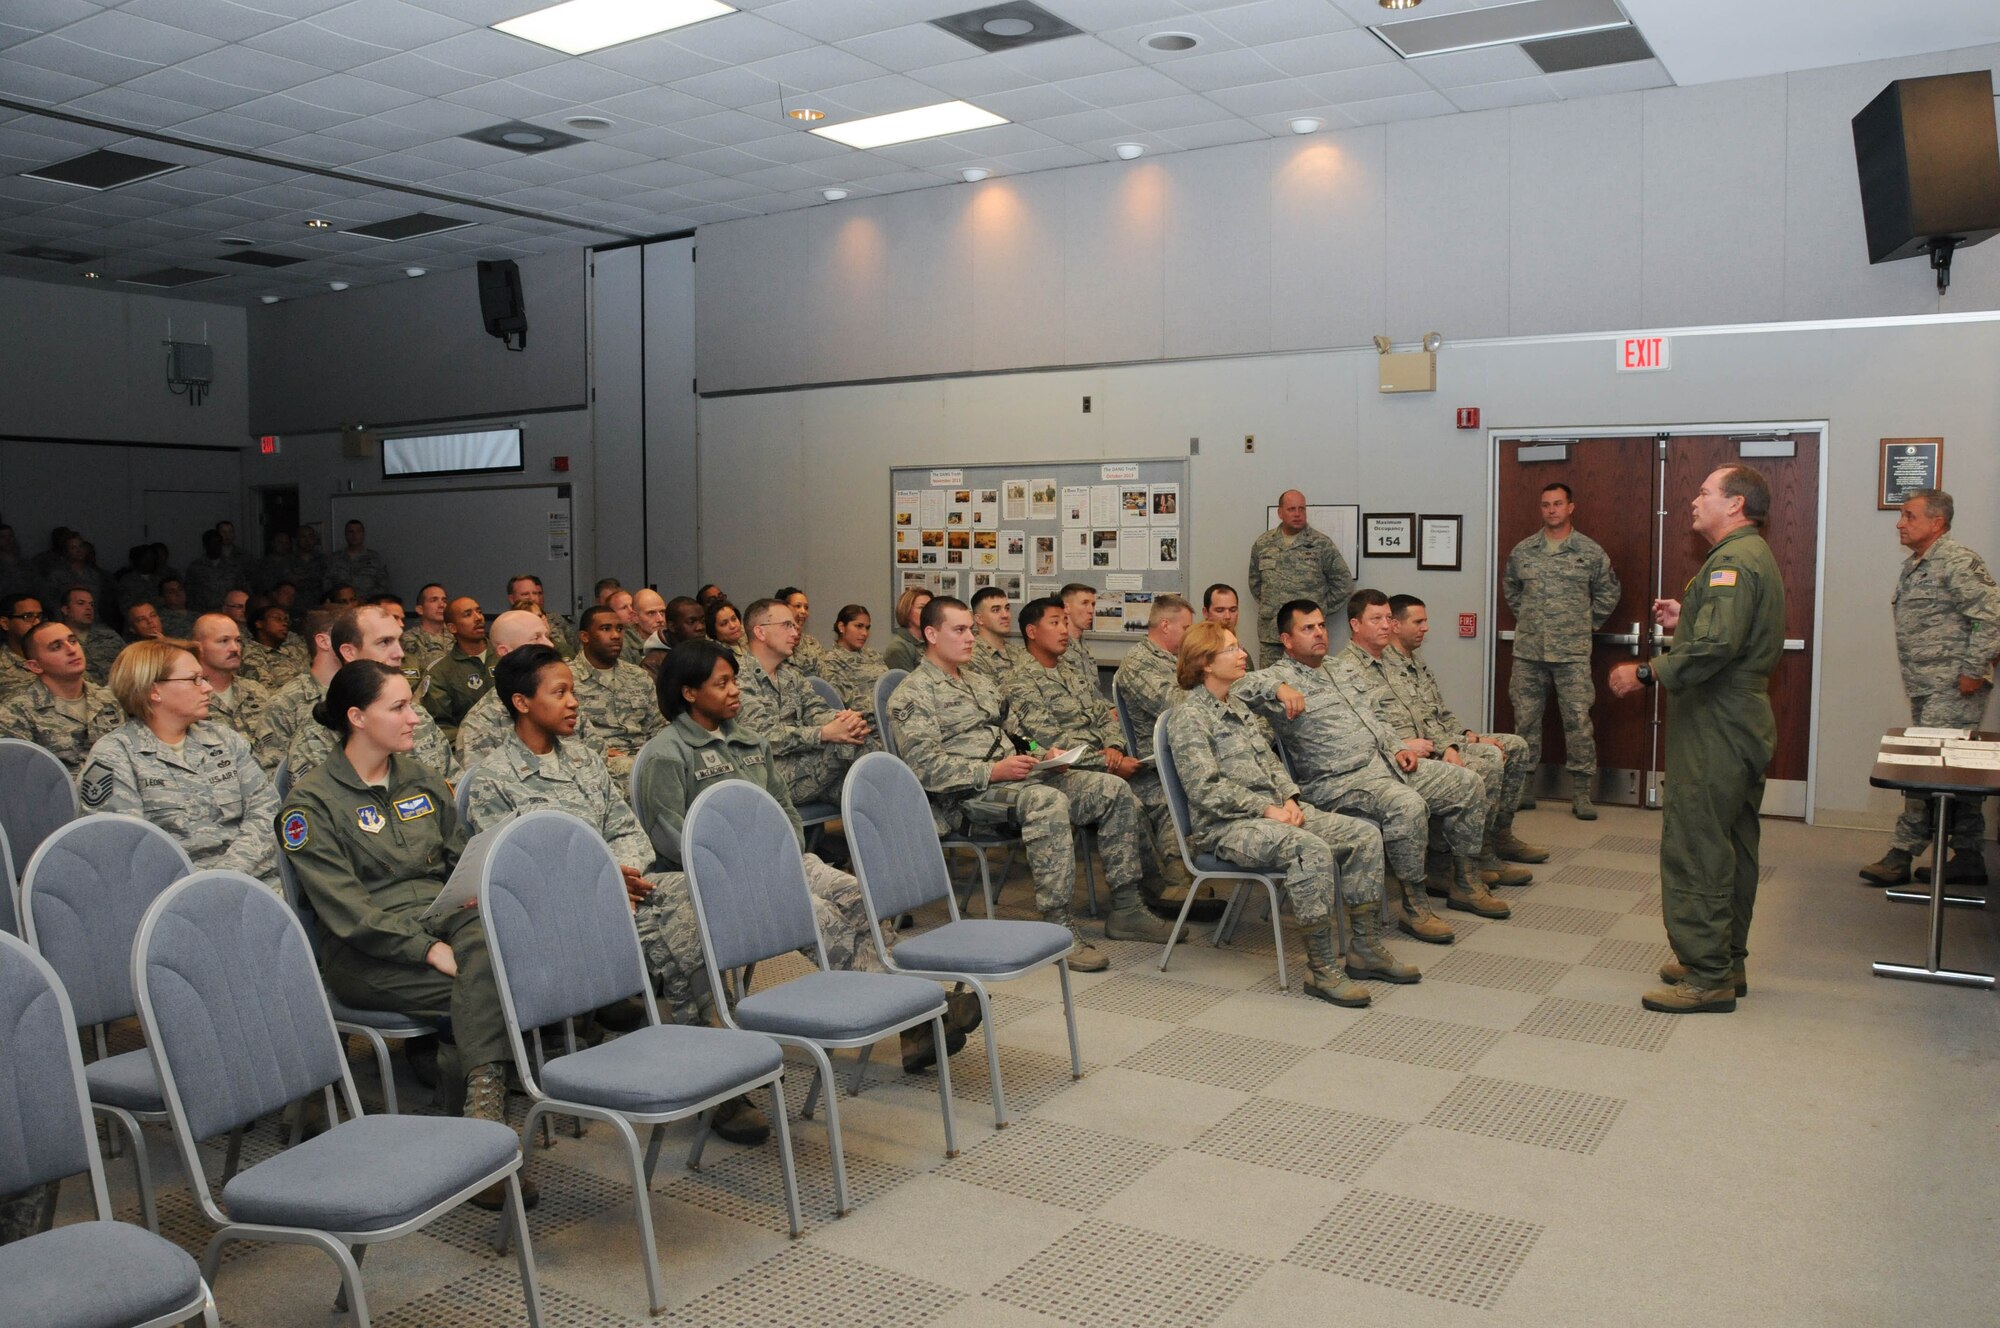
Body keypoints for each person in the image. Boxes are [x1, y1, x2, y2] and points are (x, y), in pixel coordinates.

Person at [634, 641, 974, 1071]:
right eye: (721, 684)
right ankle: (921, 1013)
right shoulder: (667, 754)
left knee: (856, 895)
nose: (735, 690)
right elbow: (670, 837)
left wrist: (785, 850)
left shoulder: (749, 740)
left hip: (777, 862)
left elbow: (784, 807)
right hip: (716, 883)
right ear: (688, 693)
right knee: (816, 914)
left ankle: (913, 1018)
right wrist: (751, 870)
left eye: (735, 679)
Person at [277, 660, 532, 1209]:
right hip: (366, 955)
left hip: (449, 926)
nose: (415, 717)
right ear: (356, 717)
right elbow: (347, 914)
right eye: (398, 707)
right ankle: (477, 1129)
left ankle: (467, 1130)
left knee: (497, 955)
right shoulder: (311, 804)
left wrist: (469, 901)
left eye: (411, 704)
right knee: (496, 990)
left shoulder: (416, 778)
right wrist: (425, 947)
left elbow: (460, 858)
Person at [888, 596, 1155, 973]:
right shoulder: (913, 694)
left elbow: (1015, 734)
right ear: (931, 634)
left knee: (1110, 789)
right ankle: (1056, 925)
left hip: (1016, 778)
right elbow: (926, 769)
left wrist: (1042, 753)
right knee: (1046, 802)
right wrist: (992, 772)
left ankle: (1127, 906)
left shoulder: (979, 683)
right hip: (967, 797)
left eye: (970, 630)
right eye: (960, 631)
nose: (970, 639)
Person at [1610, 465, 1785, 1014]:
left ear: (1735, 505)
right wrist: (1688, 618)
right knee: (1731, 839)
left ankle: (1708, 975)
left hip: (1717, 721)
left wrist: (1646, 672)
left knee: (1698, 842)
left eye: (1705, 492)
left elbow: (1716, 649)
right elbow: (1726, 631)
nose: (1693, 500)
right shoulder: (1748, 556)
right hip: (1737, 718)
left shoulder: (1733, 561)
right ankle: (1724, 958)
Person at [1165, 622, 1412, 1005]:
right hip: (1227, 826)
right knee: (1307, 849)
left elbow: (1271, 762)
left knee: (1364, 836)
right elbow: (1205, 789)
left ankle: (1364, 949)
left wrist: (1290, 799)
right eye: (1232, 649)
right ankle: (1321, 968)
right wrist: (1266, 808)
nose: (1243, 653)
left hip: (1274, 812)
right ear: (1206, 664)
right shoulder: (1190, 716)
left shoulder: (1237, 705)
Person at [1234, 598, 1485, 940]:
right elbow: (1232, 688)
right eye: (1308, 628)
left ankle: (1464, 881)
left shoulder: (1341, 669)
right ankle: (1415, 906)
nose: (1319, 633)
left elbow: (1374, 718)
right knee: (1406, 806)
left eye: (1322, 625)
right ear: (1287, 640)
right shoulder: (1278, 677)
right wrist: (1276, 687)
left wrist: (1396, 746)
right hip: (1336, 783)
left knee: (1467, 782)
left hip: (1383, 765)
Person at [1002, 597, 1173, 941]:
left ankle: (1150, 894)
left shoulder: (1069, 671)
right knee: (1119, 793)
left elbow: (1103, 713)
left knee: (1145, 793)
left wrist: (1115, 747)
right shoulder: (1020, 681)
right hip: (1055, 772)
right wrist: (1106, 760)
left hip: (1097, 762)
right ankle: (1131, 904)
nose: (1065, 630)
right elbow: (1048, 740)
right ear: (1032, 632)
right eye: (1055, 622)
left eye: (1066, 622)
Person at [1860, 489, 2000, 887]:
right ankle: (1969, 856)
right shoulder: (1916, 565)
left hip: (1953, 687)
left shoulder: (1955, 560)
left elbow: (1991, 616)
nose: (1900, 523)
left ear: (1937, 522)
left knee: (1926, 772)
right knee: (1958, 772)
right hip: (1927, 685)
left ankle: (1900, 855)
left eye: (1909, 516)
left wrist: (1974, 670)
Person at [78, 639, 279, 893]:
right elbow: (124, 849)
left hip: (256, 879)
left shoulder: (223, 739)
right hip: (174, 896)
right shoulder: (114, 756)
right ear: (154, 690)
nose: (207, 688)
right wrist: (200, 887)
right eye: (195, 679)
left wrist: (229, 872)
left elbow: (267, 810)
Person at [1384, 595, 1547, 887]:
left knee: (1515, 746)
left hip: (1444, 739)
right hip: (1421, 748)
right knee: (1488, 763)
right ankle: (1471, 856)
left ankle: (1498, 837)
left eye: (1425, 621)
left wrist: (1470, 736)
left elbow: (1440, 712)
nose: (1426, 628)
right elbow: (1417, 727)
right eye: (1418, 622)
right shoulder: (1383, 665)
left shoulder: (1416, 662)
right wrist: (1452, 747)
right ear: (1395, 625)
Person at [1503, 481, 1622, 819]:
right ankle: (1523, 788)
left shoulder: (1589, 551)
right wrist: (1530, 619)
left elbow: (1608, 592)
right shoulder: (1523, 551)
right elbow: (1511, 588)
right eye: (1545, 505)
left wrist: (1586, 623)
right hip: (1529, 652)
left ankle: (1582, 794)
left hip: (1571, 654)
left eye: (1557, 504)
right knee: (1525, 723)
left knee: (1578, 722)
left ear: (1571, 507)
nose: (1551, 510)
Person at [285, 605, 457, 782]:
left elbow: (453, 790)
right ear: (349, 652)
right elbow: (323, 804)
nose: (399, 653)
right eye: (384, 642)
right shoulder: (317, 736)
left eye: (399, 641)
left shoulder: (419, 718)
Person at [1110, 594, 1204, 910]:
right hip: (1152, 769)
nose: (1191, 635)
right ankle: (1177, 886)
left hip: (1179, 757)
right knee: (1188, 794)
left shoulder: (1174, 659)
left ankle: (1188, 881)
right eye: (1187, 628)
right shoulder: (1139, 663)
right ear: (1165, 625)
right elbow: (1177, 706)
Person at [735, 598, 870, 810]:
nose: (796, 631)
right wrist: (823, 733)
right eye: (787, 625)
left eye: (795, 625)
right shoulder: (736, 678)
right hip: (768, 776)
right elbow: (763, 736)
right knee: (851, 751)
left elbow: (816, 710)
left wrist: (844, 721)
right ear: (760, 632)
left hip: (806, 766)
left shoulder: (790, 676)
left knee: (872, 790)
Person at [1248, 491, 1354, 669]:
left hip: (1308, 637)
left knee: (1311, 688)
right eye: (1291, 509)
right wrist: (1273, 605)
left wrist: (1319, 609)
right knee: (1270, 688)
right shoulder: (1263, 543)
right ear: (1280, 512)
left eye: (1302, 509)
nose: (1297, 514)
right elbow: (1255, 583)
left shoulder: (1320, 543)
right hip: (1272, 634)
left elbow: (1344, 583)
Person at [0, 619, 122, 773]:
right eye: (56, 647)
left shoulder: (111, 700)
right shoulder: (15, 714)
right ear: (35, 666)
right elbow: (21, 780)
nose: (71, 649)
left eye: (72, 641)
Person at [449, 610, 557, 772]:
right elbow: (482, 789)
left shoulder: (561, 702)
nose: (549, 645)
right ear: (505, 652)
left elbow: (596, 758)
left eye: (547, 636)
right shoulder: (481, 723)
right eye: (536, 638)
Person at [570, 604, 666, 780]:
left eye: (619, 629)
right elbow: (563, 734)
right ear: (585, 636)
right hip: (595, 762)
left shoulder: (637, 676)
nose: (615, 636)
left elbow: (658, 726)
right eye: (606, 629)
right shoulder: (568, 679)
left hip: (642, 757)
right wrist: (599, 750)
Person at [421, 596, 493, 739]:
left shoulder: (506, 657)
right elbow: (441, 725)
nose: (478, 618)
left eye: (479, 611)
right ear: (452, 628)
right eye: (468, 614)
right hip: (469, 752)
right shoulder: (441, 672)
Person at [190, 611, 268, 740]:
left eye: (237, 640)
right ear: (199, 647)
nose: (234, 648)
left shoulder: (255, 690)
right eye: (224, 641)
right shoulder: (189, 695)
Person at [816, 603, 888, 712]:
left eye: (867, 628)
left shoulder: (874, 656)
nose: (864, 633)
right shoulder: (830, 662)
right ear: (842, 627)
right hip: (864, 723)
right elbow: (842, 705)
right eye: (858, 626)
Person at [57, 586, 124, 685]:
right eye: (81, 603)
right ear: (66, 610)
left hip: (121, 691)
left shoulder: (109, 635)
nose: (88, 608)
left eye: (91, 604)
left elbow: (132, 661)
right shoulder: (57, 640)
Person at [505, 573, 577, 660]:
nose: (532, 598)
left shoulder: (555, 620)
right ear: (511, 599)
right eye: (525, 594)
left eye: (535, 593)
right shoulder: (504, 627)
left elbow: (576, 648)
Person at [239, 600, 305, 690]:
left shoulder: (291, 651)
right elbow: (265, 691)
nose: (285, 623)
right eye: (277, 619)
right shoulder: (251, 653)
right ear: (259, 624)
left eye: (286, 620)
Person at [963, 586, 1018, 683]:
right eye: (996, 610)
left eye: (1007, 608)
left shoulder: (1018, 651)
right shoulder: (970, 656)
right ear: (979, 619)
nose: (1005, 615)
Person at [325, 519, 389, 598]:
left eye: (358, 531)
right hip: (341, 606)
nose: (354, 535)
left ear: (363, 534)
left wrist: (367, 600)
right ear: (345, 534)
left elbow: (383, 585)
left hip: (367, 605)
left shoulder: (374, 558)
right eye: (350, 532)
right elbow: (327, 584)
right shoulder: (334, 558)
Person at [183, 529, 240, 614]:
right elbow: (189, 594)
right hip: (203, 613)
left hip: (228, 613)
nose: (216, 546)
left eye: (219, 543)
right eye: (213, 543)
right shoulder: (195, 567)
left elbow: (241, 588)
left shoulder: (232, 566)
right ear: (205, 546)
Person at [0, 594, 43, 701]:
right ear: (5, 623)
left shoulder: (56, 656)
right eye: (28, 617)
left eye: (39, 616)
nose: (37, 622)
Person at [777, 586, 825, 674]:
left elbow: (825, 677)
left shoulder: (812, 643)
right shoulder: (773, 641)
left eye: (806, 607)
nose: (803, 611)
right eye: (798, 606)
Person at [882, 587, 930, 673]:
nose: (928, 613)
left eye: (930, 608)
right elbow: (908, 684)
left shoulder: (931, 642)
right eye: (922, 608)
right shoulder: (898, 648)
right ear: (907, 611)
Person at [1057, 584, 1098, 681]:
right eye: (1084, 603)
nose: (1091, 610)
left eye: (1093, 604)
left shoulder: (1083, 646)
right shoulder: (1058, 647)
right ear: (1066, 608)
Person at [291, 524, 327, 609]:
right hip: (296, 606)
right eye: (303, 537)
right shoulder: (288, 561)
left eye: (310, 536)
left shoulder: (324, 560)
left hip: (320, 607)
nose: (307, 540)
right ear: (297, 540)